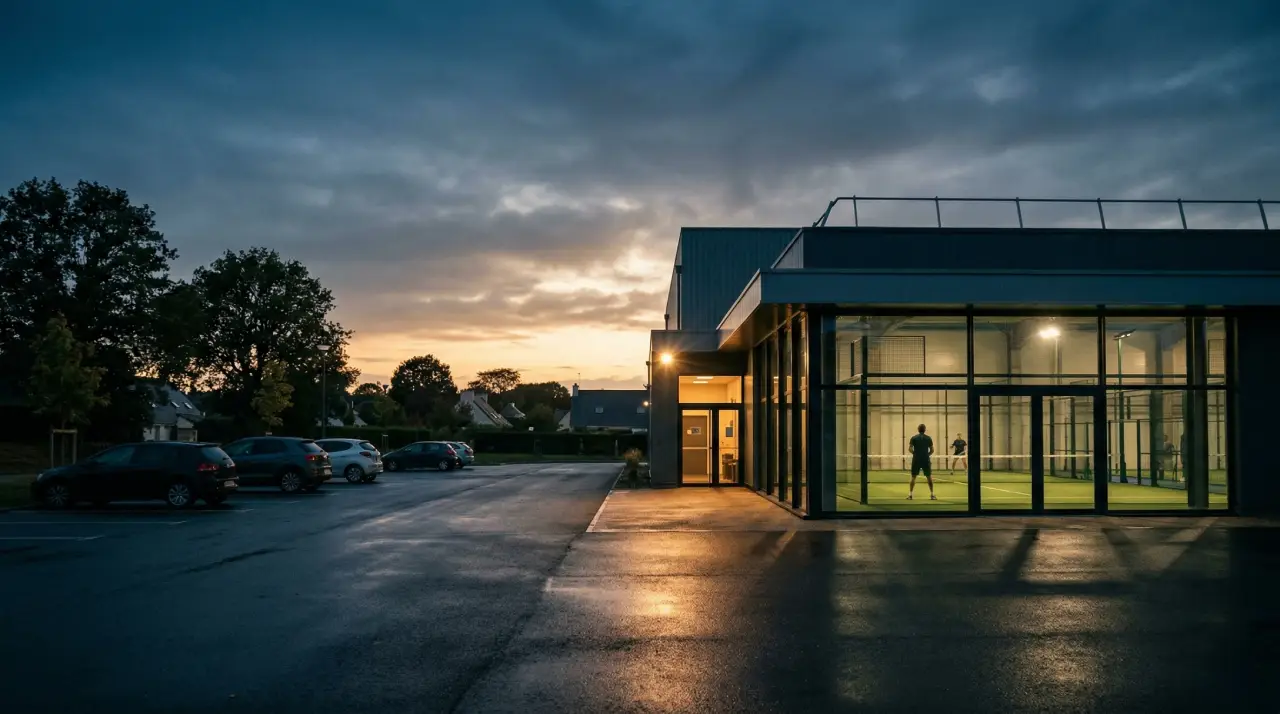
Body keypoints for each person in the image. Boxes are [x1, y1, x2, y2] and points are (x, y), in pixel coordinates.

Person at [908, 423, 936, 500]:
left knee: (913, 477)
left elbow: (910, 449)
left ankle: (910, 495)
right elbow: (932, 450)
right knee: (929, 477)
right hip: (925, 460)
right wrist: (927, 455)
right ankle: (932, 495)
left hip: (916, 459)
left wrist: (915, 454)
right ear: (925, 430)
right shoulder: (928, 438)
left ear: (918, 429)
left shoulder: (914, 438)